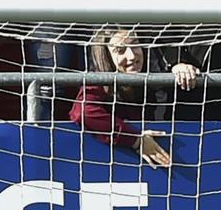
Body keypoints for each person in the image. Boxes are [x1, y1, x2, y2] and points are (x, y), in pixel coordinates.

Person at [70, 28, 172, 168]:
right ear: (106, 57)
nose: (132, 55)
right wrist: (136, 139)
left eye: (135, 44)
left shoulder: (155, 79)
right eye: (120, 50)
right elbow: (83, 112)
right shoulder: (100, 83)